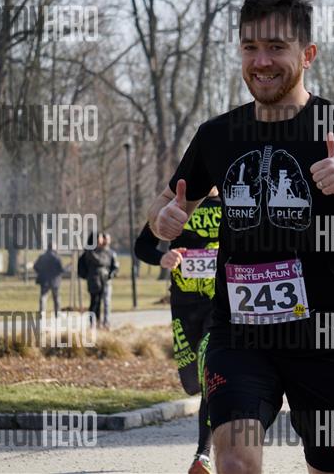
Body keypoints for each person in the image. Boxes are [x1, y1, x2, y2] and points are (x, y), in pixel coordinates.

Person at [145, 0, 334, 473]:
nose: (261, 61)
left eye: (276, 47)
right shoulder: (217, 135)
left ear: (308, 54)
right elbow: (166, 203)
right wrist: (162, 219)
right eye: (250, 47)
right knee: (235, 462)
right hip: (238, 337)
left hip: (325, 338)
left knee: (332, 468)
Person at [136, 187, 220, 474]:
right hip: (185, 304)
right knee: (192, 382)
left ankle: (202, 455)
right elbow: (142, 245)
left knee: (209, 373)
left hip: (221, 303)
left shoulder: (235, 198)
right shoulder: (180, 202)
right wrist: (163, 258)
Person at [77, 232, 112, 327]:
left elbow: (107, 261)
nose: (102, 240)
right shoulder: (90, 251)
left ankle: (98, 322)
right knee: (94, 301)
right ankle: (92, 323)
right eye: (100, 238)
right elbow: (101, 261)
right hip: (94, 280)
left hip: (101, 280)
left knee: (98, 302)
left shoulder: (99, 250)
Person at [33, 242, 64, 318]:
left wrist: (41, 272)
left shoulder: (42, 257)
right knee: (56, 298)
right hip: (55, 281)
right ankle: (57, 314)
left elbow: (35, 267)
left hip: (44, 280)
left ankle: (42, 313)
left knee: (43, 297)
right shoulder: (57, 258)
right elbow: (60, 269)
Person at [100, 233, 120, 329]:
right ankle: (97, 322)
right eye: (105, 239)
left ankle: (106, 322)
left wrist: (111, 275)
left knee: (107, 302)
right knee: (97, 302)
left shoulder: (112, 253)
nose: (106, 241)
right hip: (97, 282)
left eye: (108, 239)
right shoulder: (97, 252)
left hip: (107, 282)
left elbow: (116, 267)